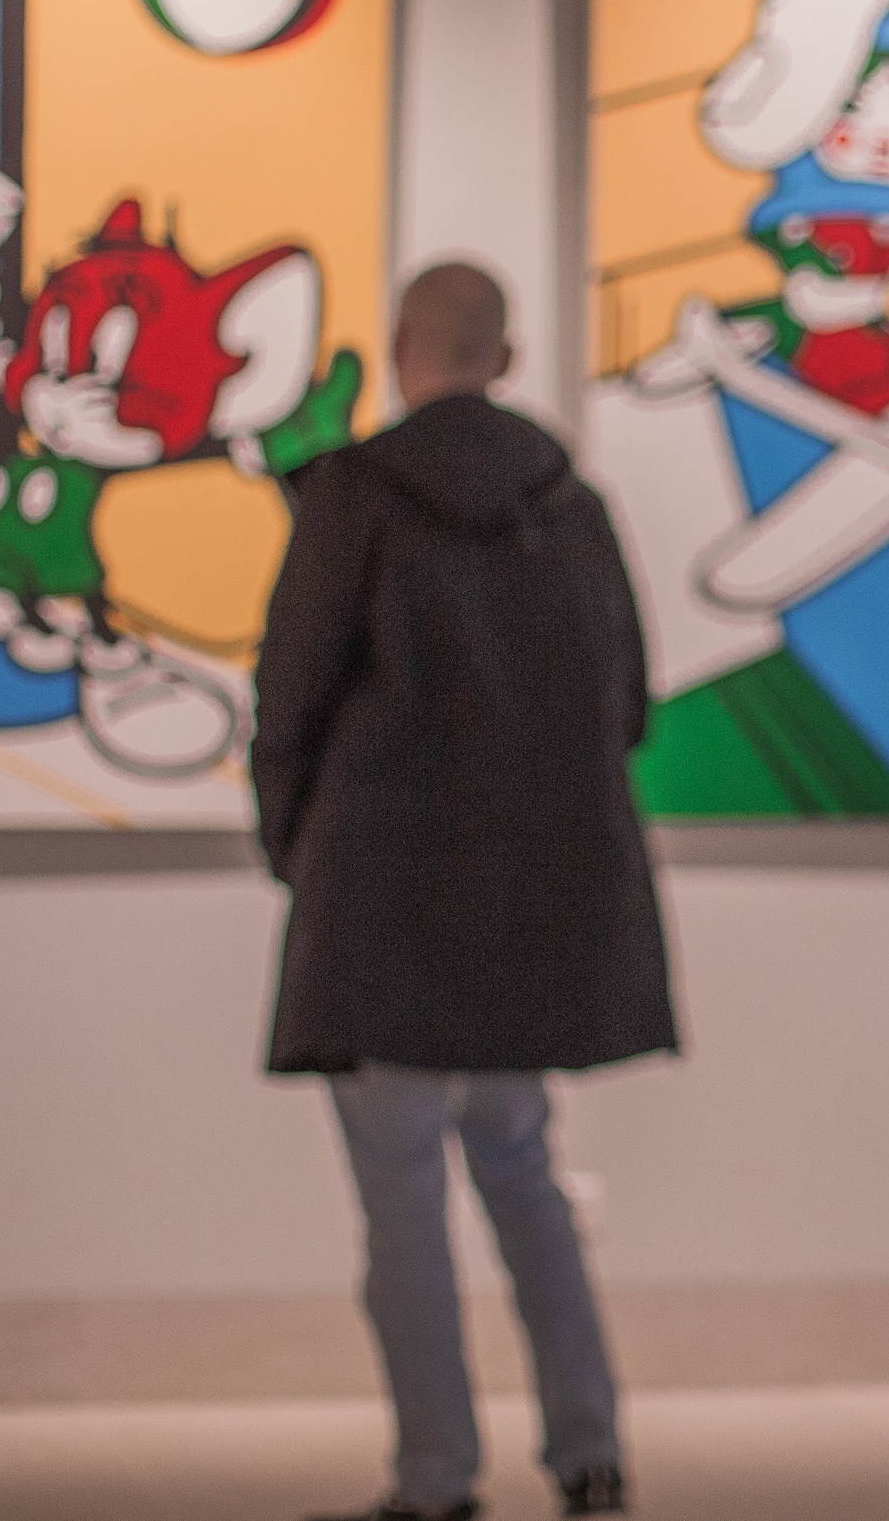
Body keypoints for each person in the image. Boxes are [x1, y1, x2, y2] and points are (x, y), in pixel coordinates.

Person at [252, 262, 676, 1521]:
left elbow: (290, 697)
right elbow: (625, 702)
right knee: (525, 1173)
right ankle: (589, 1450)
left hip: (380, 905)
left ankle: (434, 1476)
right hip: (526, 914)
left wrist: (295, 847)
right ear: (508, 356)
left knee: (402, 1201)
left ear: (399, 350)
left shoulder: (355, 499)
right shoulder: (570, 506)